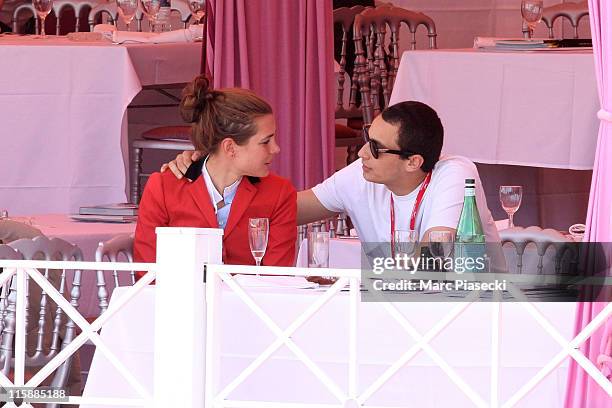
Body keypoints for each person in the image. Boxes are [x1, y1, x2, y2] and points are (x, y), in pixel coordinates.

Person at [162, 100, 504, 270]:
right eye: (368, 138)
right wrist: (214, 171)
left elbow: (435, 258)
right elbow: (286, 209)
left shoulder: (456, 174)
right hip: (397, 308)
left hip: (471, 308)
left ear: (414, 162)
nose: (363, 152)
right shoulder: (363, 172)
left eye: (376, 148)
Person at [134, 75, 297, 266]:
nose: (276, 148)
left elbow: (276, 276)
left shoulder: (280, 193)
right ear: (230, 147)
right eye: (265, 141)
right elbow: (147, 271)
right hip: (179, 296)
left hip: (250, 296)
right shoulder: (163, 187)